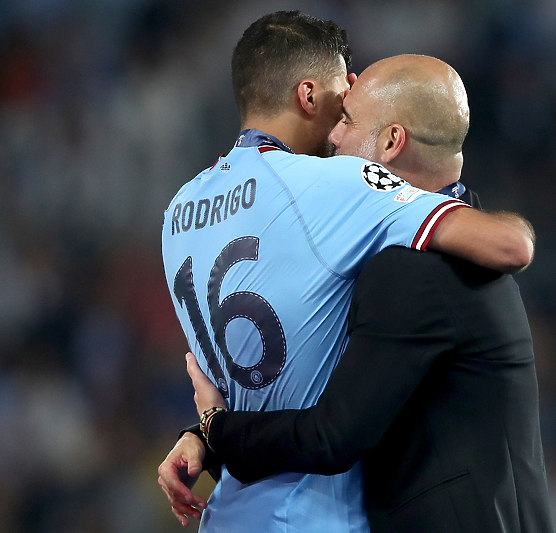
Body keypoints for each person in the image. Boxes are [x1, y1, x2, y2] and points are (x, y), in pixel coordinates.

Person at [160, 11, 533, 533]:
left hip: (227, 513)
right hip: (315, 515)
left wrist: (204, 432)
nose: (339, 126)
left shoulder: (179, 210)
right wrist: (213, 430)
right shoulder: (334, 188)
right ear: (309, 96)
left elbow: (261, 371)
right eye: (344, 96)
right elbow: (507, 243)